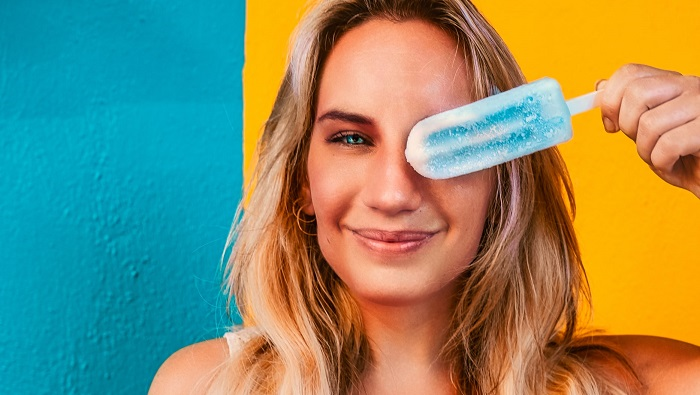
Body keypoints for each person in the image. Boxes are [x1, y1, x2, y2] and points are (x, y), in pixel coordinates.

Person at [149, 0, 700, 393]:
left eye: (444, 143)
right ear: (301, 184)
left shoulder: (640, 386)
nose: (394, 192)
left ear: (500, 184)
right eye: (352, 139)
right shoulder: (205, 386)